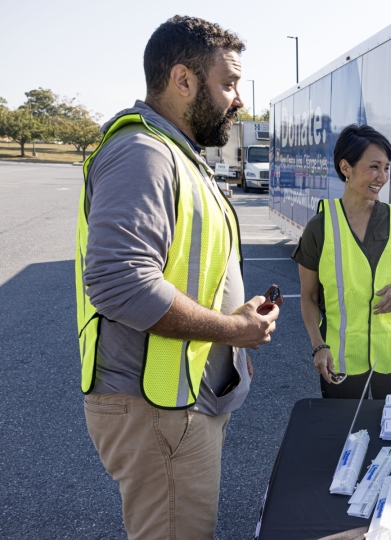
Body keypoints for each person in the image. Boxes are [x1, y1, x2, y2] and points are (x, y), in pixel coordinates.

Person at [75, 16, 279, 539]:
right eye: (228, 84)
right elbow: (121, 280)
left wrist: (234, 319)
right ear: (183, 80)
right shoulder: (143, 153)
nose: (238, 100)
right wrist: (233, 332)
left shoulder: (180, 156)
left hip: (180, 405)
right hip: (157, 411)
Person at [294, 124, 391, 399]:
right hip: (341, 358)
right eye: (373, 167)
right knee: (344, 437)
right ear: (346, 168)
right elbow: (308, 296)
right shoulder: (320, 227)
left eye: (386, 168)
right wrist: (318, 346)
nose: (382, 177)